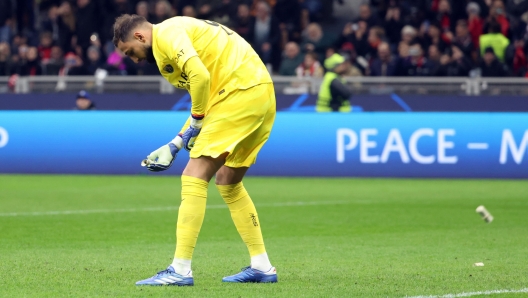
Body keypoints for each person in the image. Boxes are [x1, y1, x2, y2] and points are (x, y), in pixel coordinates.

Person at [113, 14, 277, 285]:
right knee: (228, 181)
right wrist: (176, 143)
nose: (135, 59)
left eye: (130, 51)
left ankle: (180, 269)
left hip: (239, 93)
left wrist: (198, 120)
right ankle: (262, 266)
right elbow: (203, 100)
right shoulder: (175, 39)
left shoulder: (167, 33)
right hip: (258, 93)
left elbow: (200, 78)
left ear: (140, 36)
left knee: (194, 176)